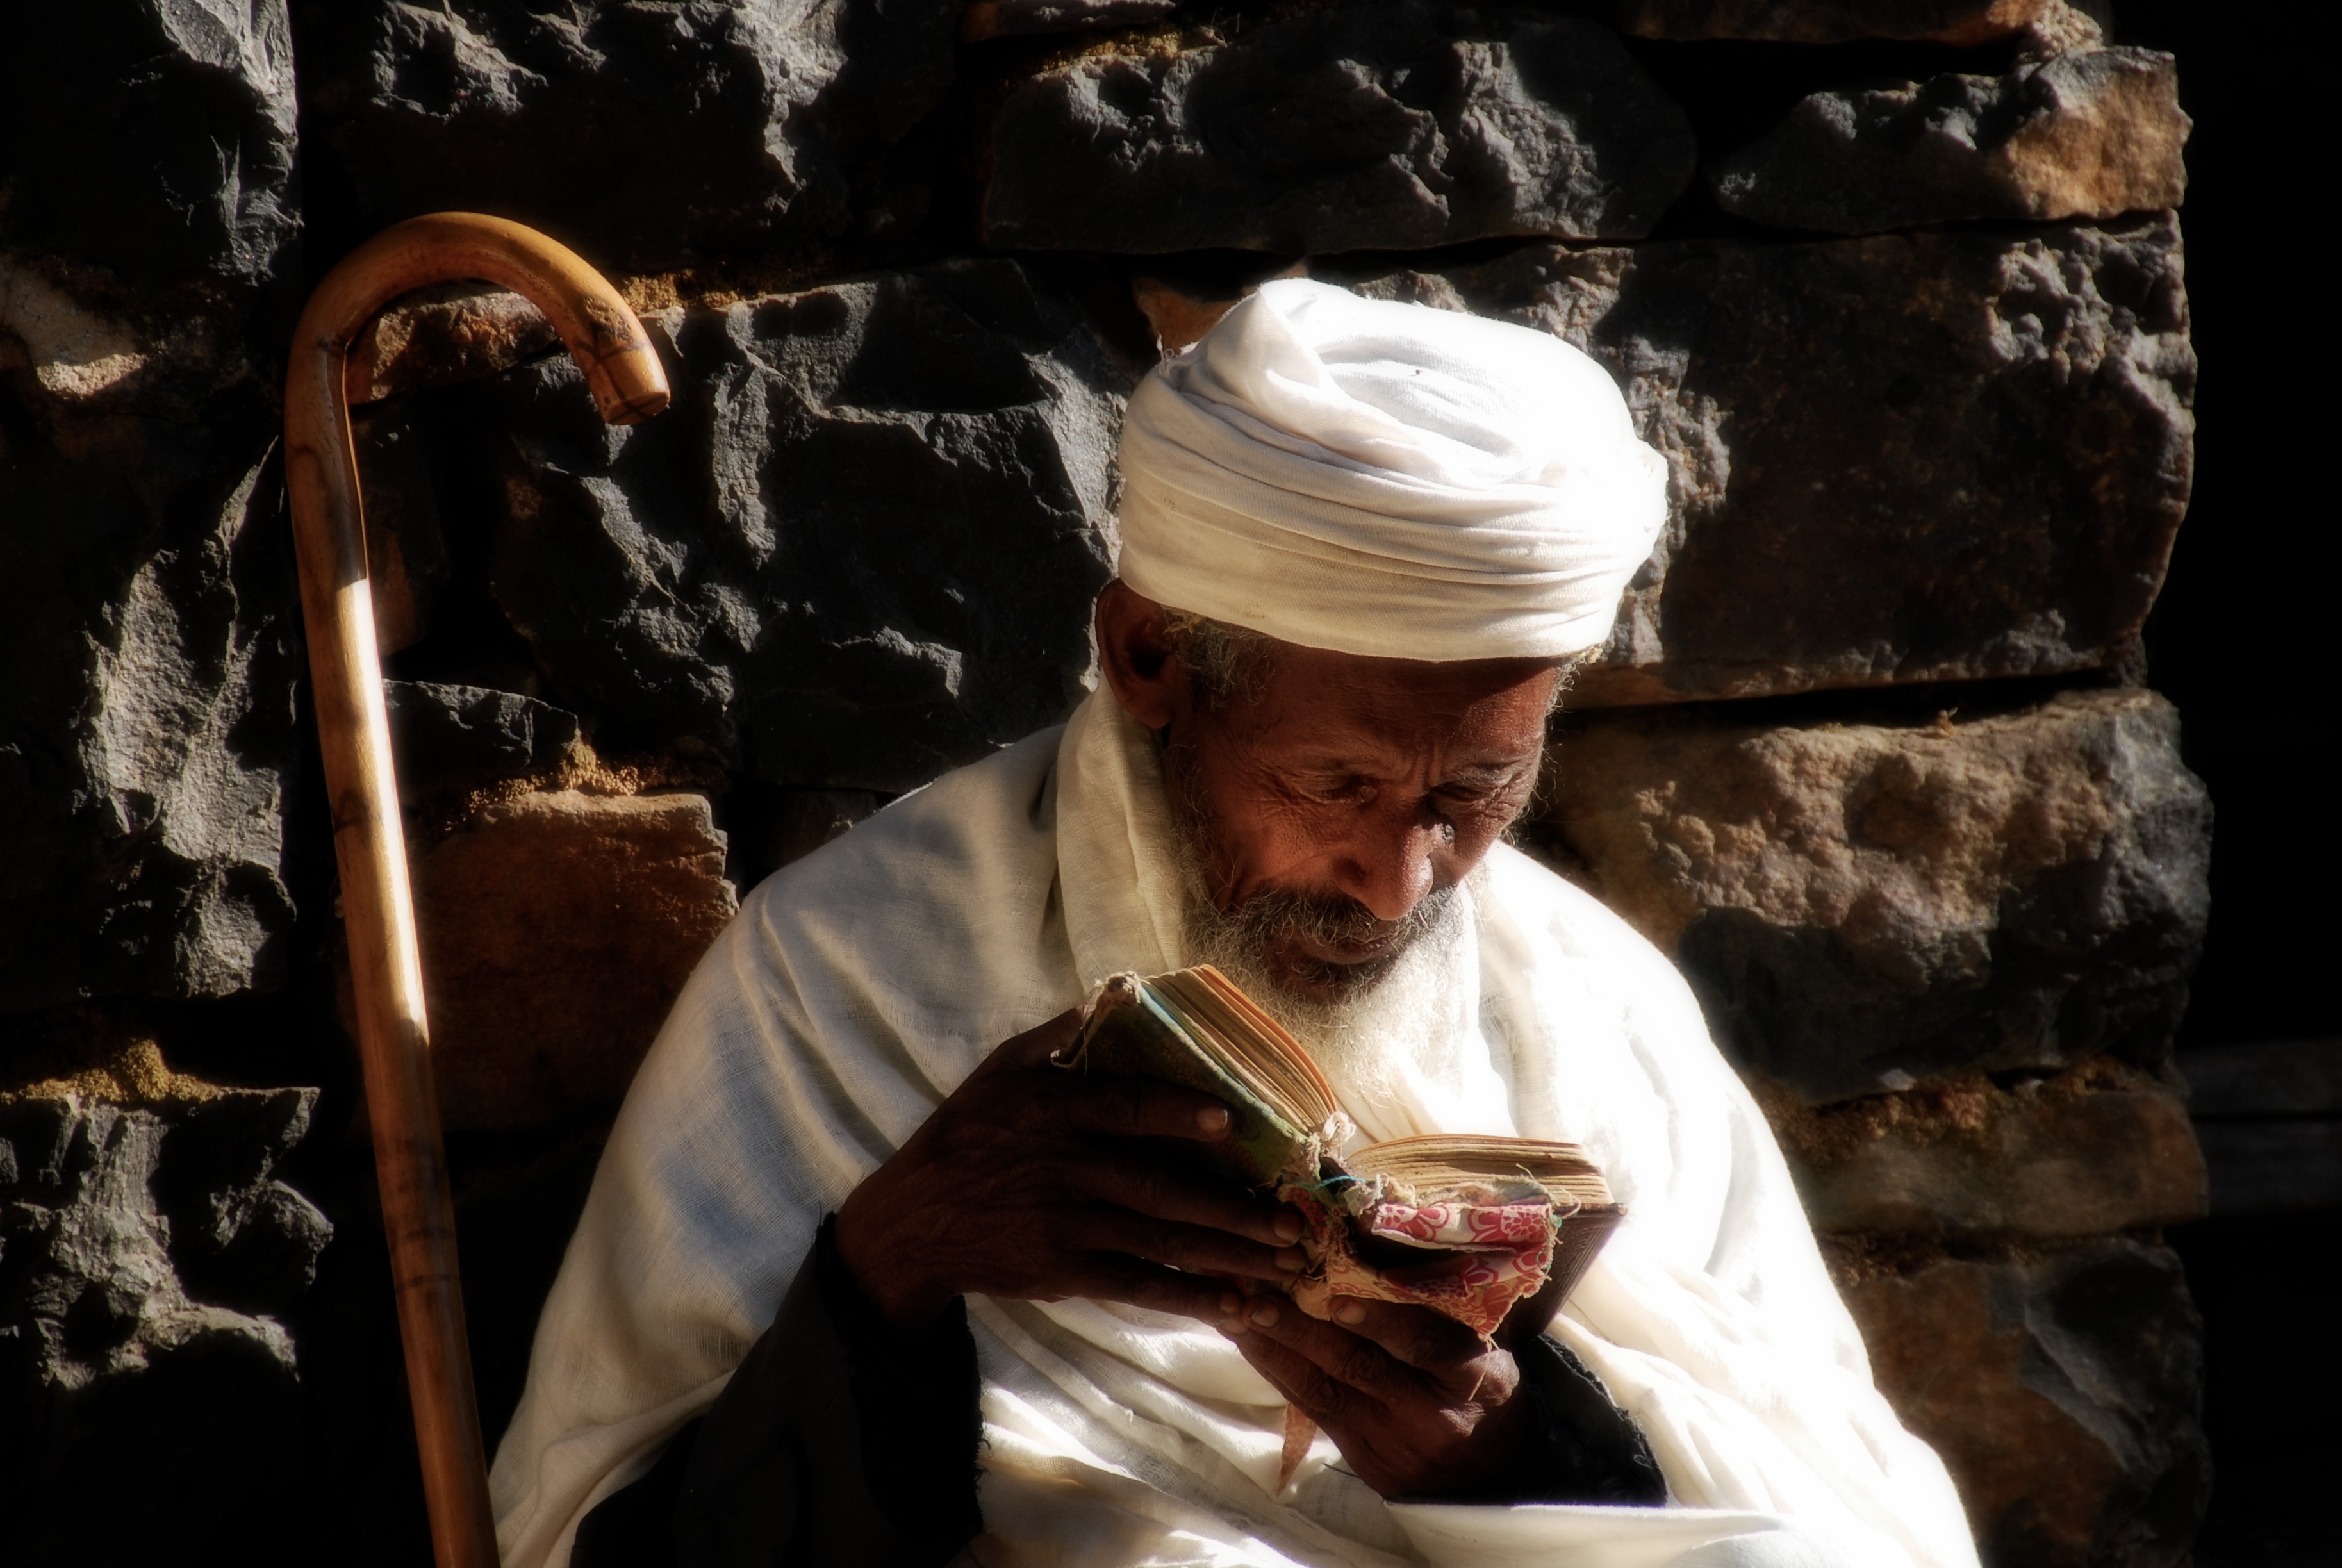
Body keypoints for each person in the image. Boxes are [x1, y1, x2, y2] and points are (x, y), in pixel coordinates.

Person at [490, 280, 1979, 1567]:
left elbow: (1835, 1504)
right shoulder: (846, 978)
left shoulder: (1597, 1009)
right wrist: (897, 1260)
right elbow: (603, 1532)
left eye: (1474, 793)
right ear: (1149, 659)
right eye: (1337, 785)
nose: (1401, 881)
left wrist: (1504, 1459)